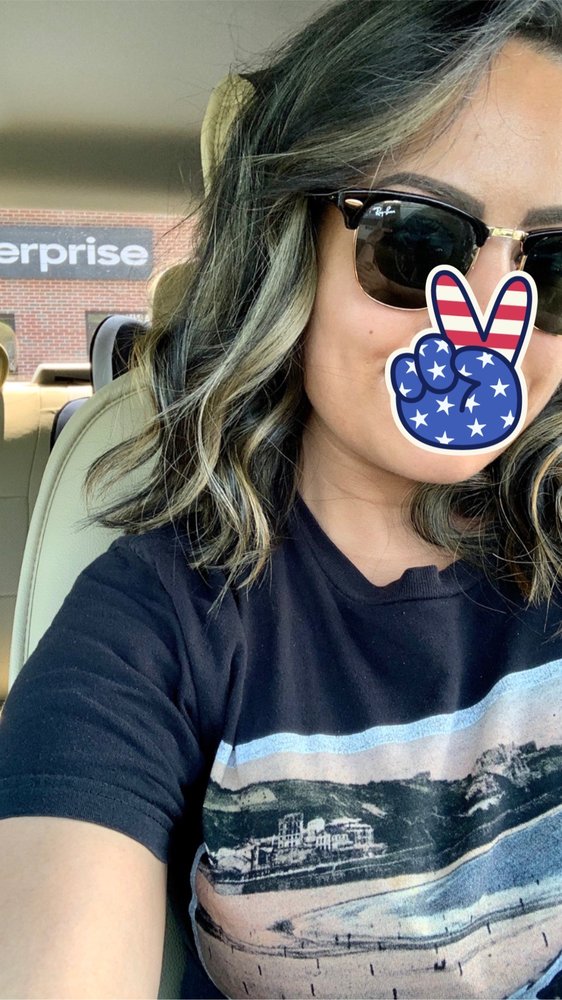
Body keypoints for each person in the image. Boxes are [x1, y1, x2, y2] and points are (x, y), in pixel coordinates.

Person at [0, 1, 562, 997]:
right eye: (414, 243)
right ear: (290, 245)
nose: (488, 318)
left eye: (554, 268)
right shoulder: (151, 622)